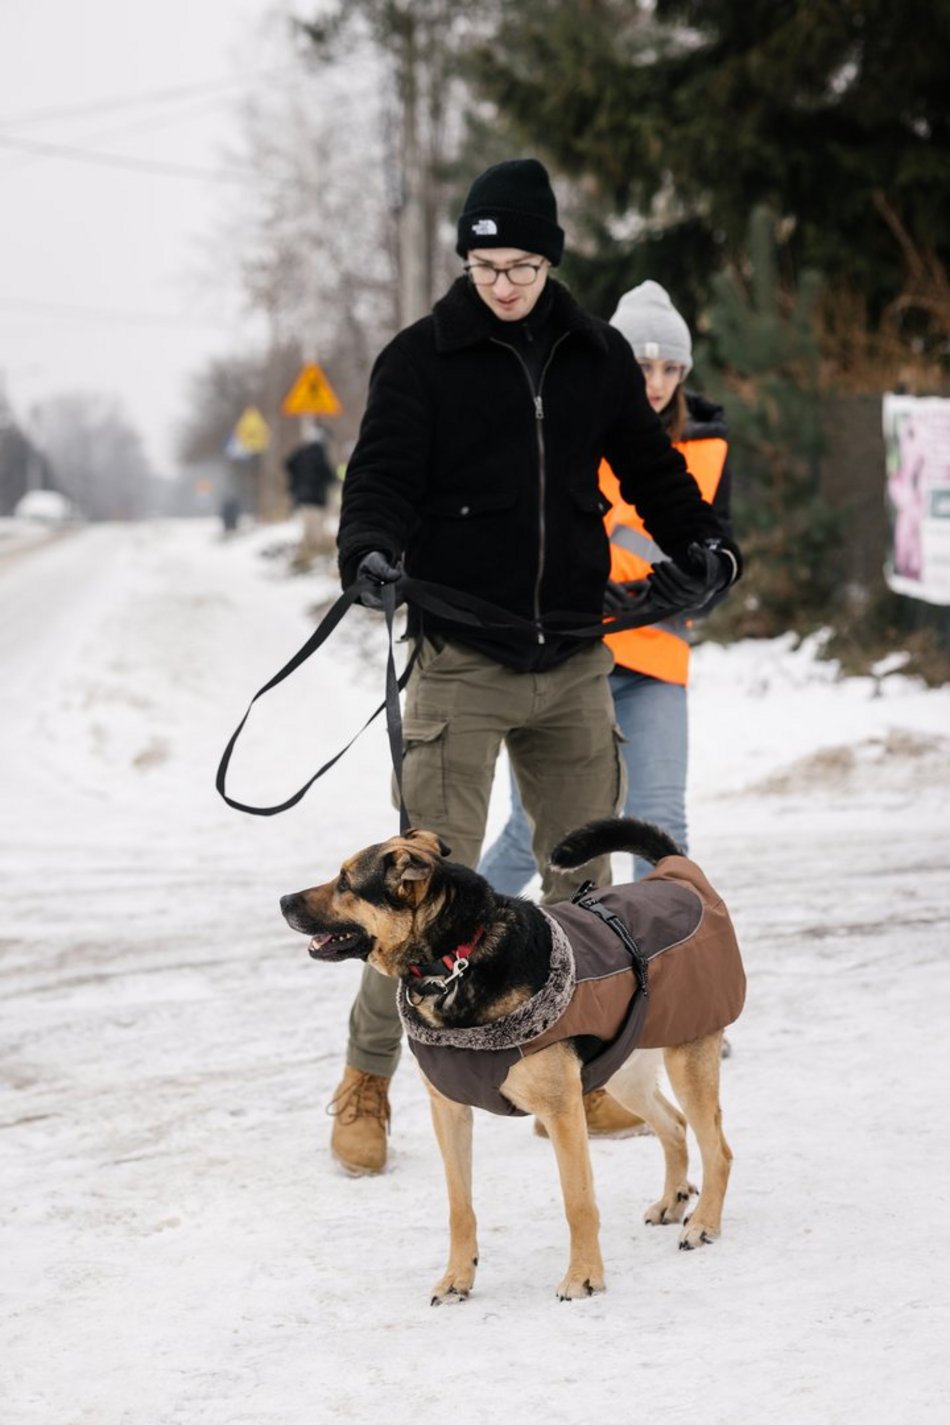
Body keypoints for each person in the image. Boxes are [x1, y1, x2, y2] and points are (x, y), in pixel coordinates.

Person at [330, 159, 742, 1175]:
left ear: (547, 259)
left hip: (568, 663)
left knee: (580, 891)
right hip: (460, 656)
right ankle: (368, 1081)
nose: (501, 284)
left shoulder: (593, 355)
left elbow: (651, 471)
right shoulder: (420, 359)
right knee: (412, 896)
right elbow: (377, 476)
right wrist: (369, 552)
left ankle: (582, 1075)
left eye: (517, 264)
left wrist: (704, 543)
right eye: (483, 265)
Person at [480, 280, 734, 890]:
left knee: (661, 827)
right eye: (643, 363)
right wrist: (577, 591)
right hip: (570, 659)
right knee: (534, 831)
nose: (656, 380)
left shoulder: (709, 445)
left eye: (671, 367)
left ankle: (667, 969)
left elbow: (721, 556)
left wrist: (691, 588)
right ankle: (450, 955)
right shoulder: (566, 423)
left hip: (657, 663)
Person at [285, 430, 336, 567]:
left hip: (301, 497)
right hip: (316, 498)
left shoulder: (300, 453)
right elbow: (327, 474)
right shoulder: (319, 454)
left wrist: (296, 482)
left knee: (307, 527)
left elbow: (288, 464)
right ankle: (312, 556)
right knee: (316, 528)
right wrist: (334, 480)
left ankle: (306, 555)